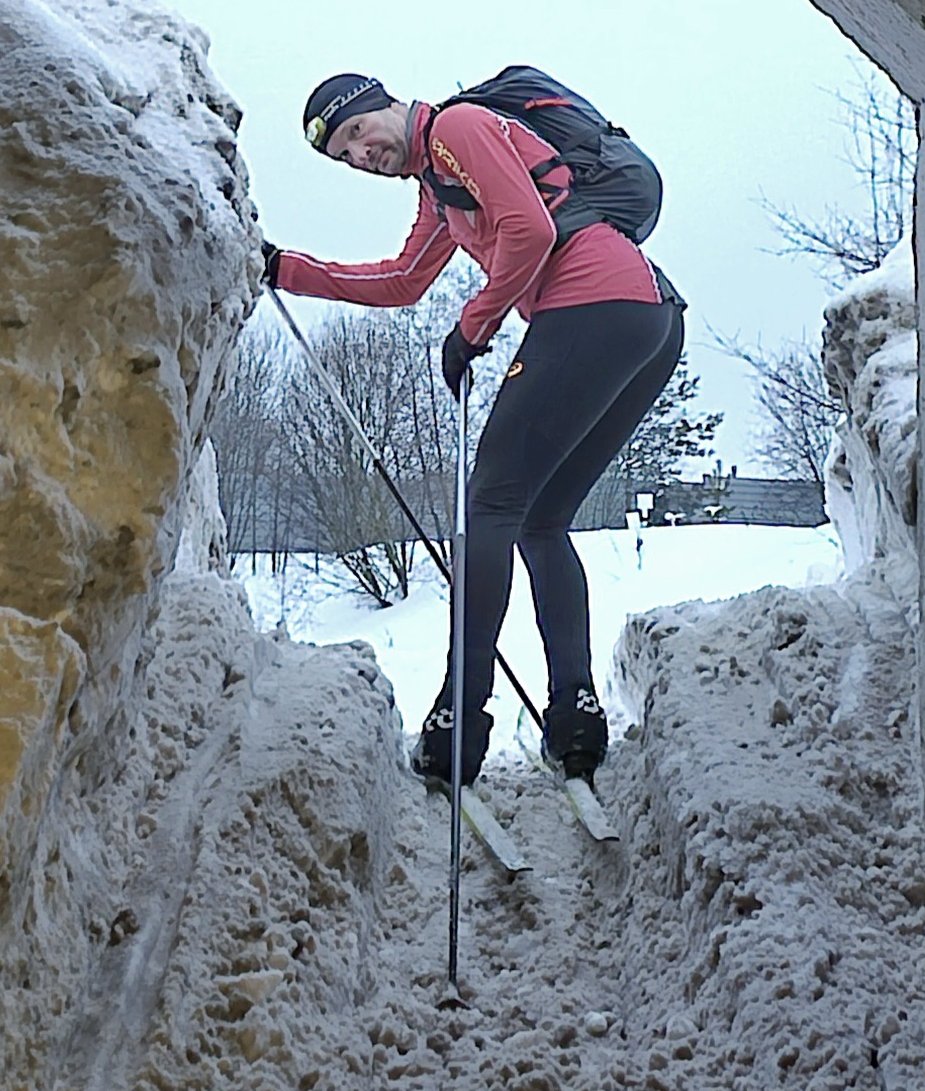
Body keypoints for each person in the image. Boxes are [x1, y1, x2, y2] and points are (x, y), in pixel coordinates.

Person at [266, 69, 686, 791]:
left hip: (594, 298)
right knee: (541, 522)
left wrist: (472, 326)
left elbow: (530, 229)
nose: (361, 155)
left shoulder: (457, 128)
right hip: (645, 318)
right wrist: (284, 270)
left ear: (384, 104)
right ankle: (575, 718)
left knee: (489, 505)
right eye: (345, 157)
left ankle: (459, 718)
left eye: (358, 133)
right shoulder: (439, 190)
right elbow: (403, 281)